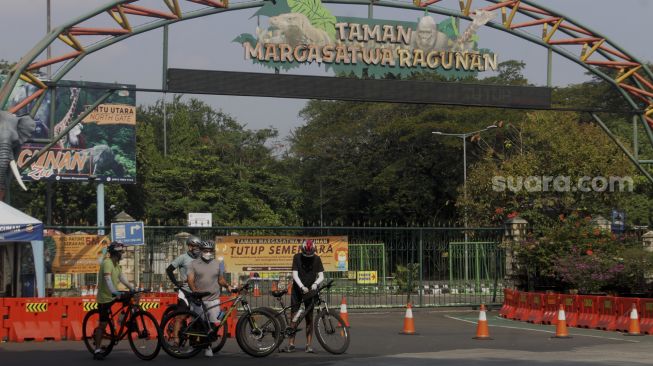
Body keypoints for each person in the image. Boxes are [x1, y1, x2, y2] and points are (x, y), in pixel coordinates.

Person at [187, 240, 232, 357]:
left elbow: (220, 280)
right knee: (196, 324)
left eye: (210, 251)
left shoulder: (218, 264)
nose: (208, 253)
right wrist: (194, 290)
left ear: (213, 251)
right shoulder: (193, 264)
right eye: (205, 251)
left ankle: (208, 347)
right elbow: (190, 279)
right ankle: (192, 346)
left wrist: (228, 286)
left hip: (214, 299)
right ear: (201, 251)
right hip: (199, 299)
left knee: (212, 325)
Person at [93, 242, 135, 360]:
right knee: (103, 324)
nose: (122, 254)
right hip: (105, 298)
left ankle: (124, 322)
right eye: (121, 252)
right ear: (116, 253)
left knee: (132, 298)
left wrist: (133, 288)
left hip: (113, 294)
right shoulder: (107, 263)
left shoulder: (117, 265)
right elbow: (108, 280)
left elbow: (122, 279)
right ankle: (97, 349)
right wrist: (114, 292)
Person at [284, 239, 324, 353]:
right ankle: (291, 344)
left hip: (310, 290)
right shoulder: (297, 257)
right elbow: (295, 274)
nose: (308, 258)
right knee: (294, 316)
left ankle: (308, 345)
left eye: (310, 255)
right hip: (298, 289)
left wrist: (316, 283)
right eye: (306, 255)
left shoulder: (317, 258)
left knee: (309, 318)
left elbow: (321, 276)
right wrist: (301, 286)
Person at [166, 235, 202, 311]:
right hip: (185, 291)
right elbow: (169, 270)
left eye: (199, 246)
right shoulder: (183, 258)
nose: (197, 248)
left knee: (198, 318)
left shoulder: (201, 258)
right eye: (195, 246)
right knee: (181, 316)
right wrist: (176, 282)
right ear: (190, 247)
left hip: (198, 291)